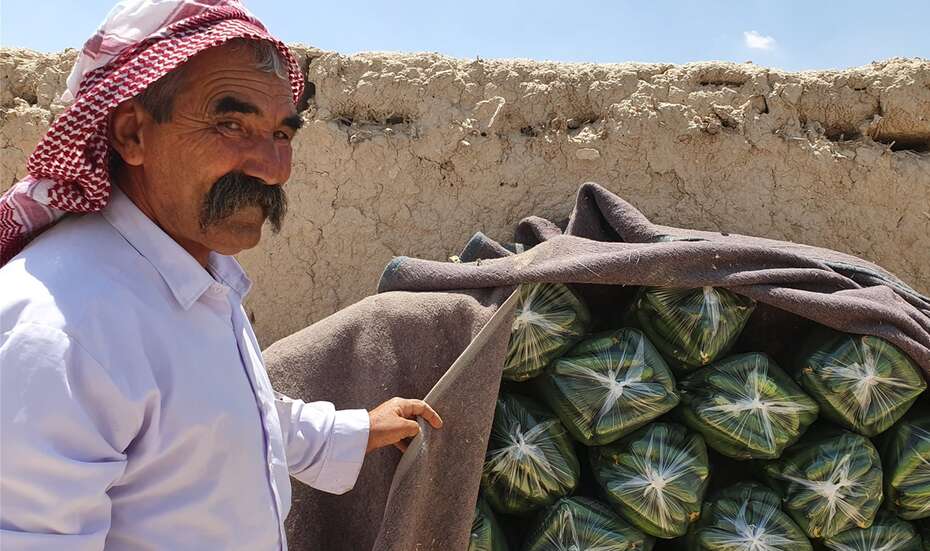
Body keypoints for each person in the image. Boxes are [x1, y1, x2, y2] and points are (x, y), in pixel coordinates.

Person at [0, 1, 442, 548]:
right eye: (231, 125)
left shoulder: (192, 274)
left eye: (281, 134)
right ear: (132, 134)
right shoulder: (61, 332)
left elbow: (223, 416)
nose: (273, 168)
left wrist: (354, 430)